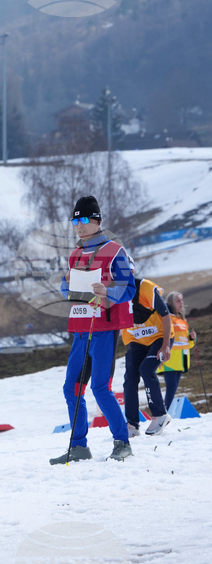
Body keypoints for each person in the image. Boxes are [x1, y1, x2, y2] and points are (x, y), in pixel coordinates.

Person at [54, 196, 135, 465]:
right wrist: (65, 285)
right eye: (75, 220)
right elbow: (72, 293)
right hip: (80, 328)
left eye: (84, 220)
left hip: (103, 329)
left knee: (100, 387)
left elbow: (130, 288)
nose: (79, 225)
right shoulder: (75, 254)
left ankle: (122, 442)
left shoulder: (115, 251)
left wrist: (108, 292)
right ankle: (79, 446)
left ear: (97, 220)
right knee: (71, 388)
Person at [121, 277, 173, 436]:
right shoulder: (111, 291)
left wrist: (165, 345)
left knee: (146, 369)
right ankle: (132, 425)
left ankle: (160, 415)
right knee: (130, 377)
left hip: (159, 337)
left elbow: (165, 315)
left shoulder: (145, 287)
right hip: (137, 339)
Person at [159, 291, 197, 408]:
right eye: (178, 301)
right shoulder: (166, 318)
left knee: (174, 388)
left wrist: (192, 339)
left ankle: (168, 411)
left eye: (182, 300)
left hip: (181, 359)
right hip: (169, 359)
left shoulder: (182, 320)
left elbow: (187, 344)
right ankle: (167, 412)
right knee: (171, 387)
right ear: (170, 303)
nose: (181, 303)